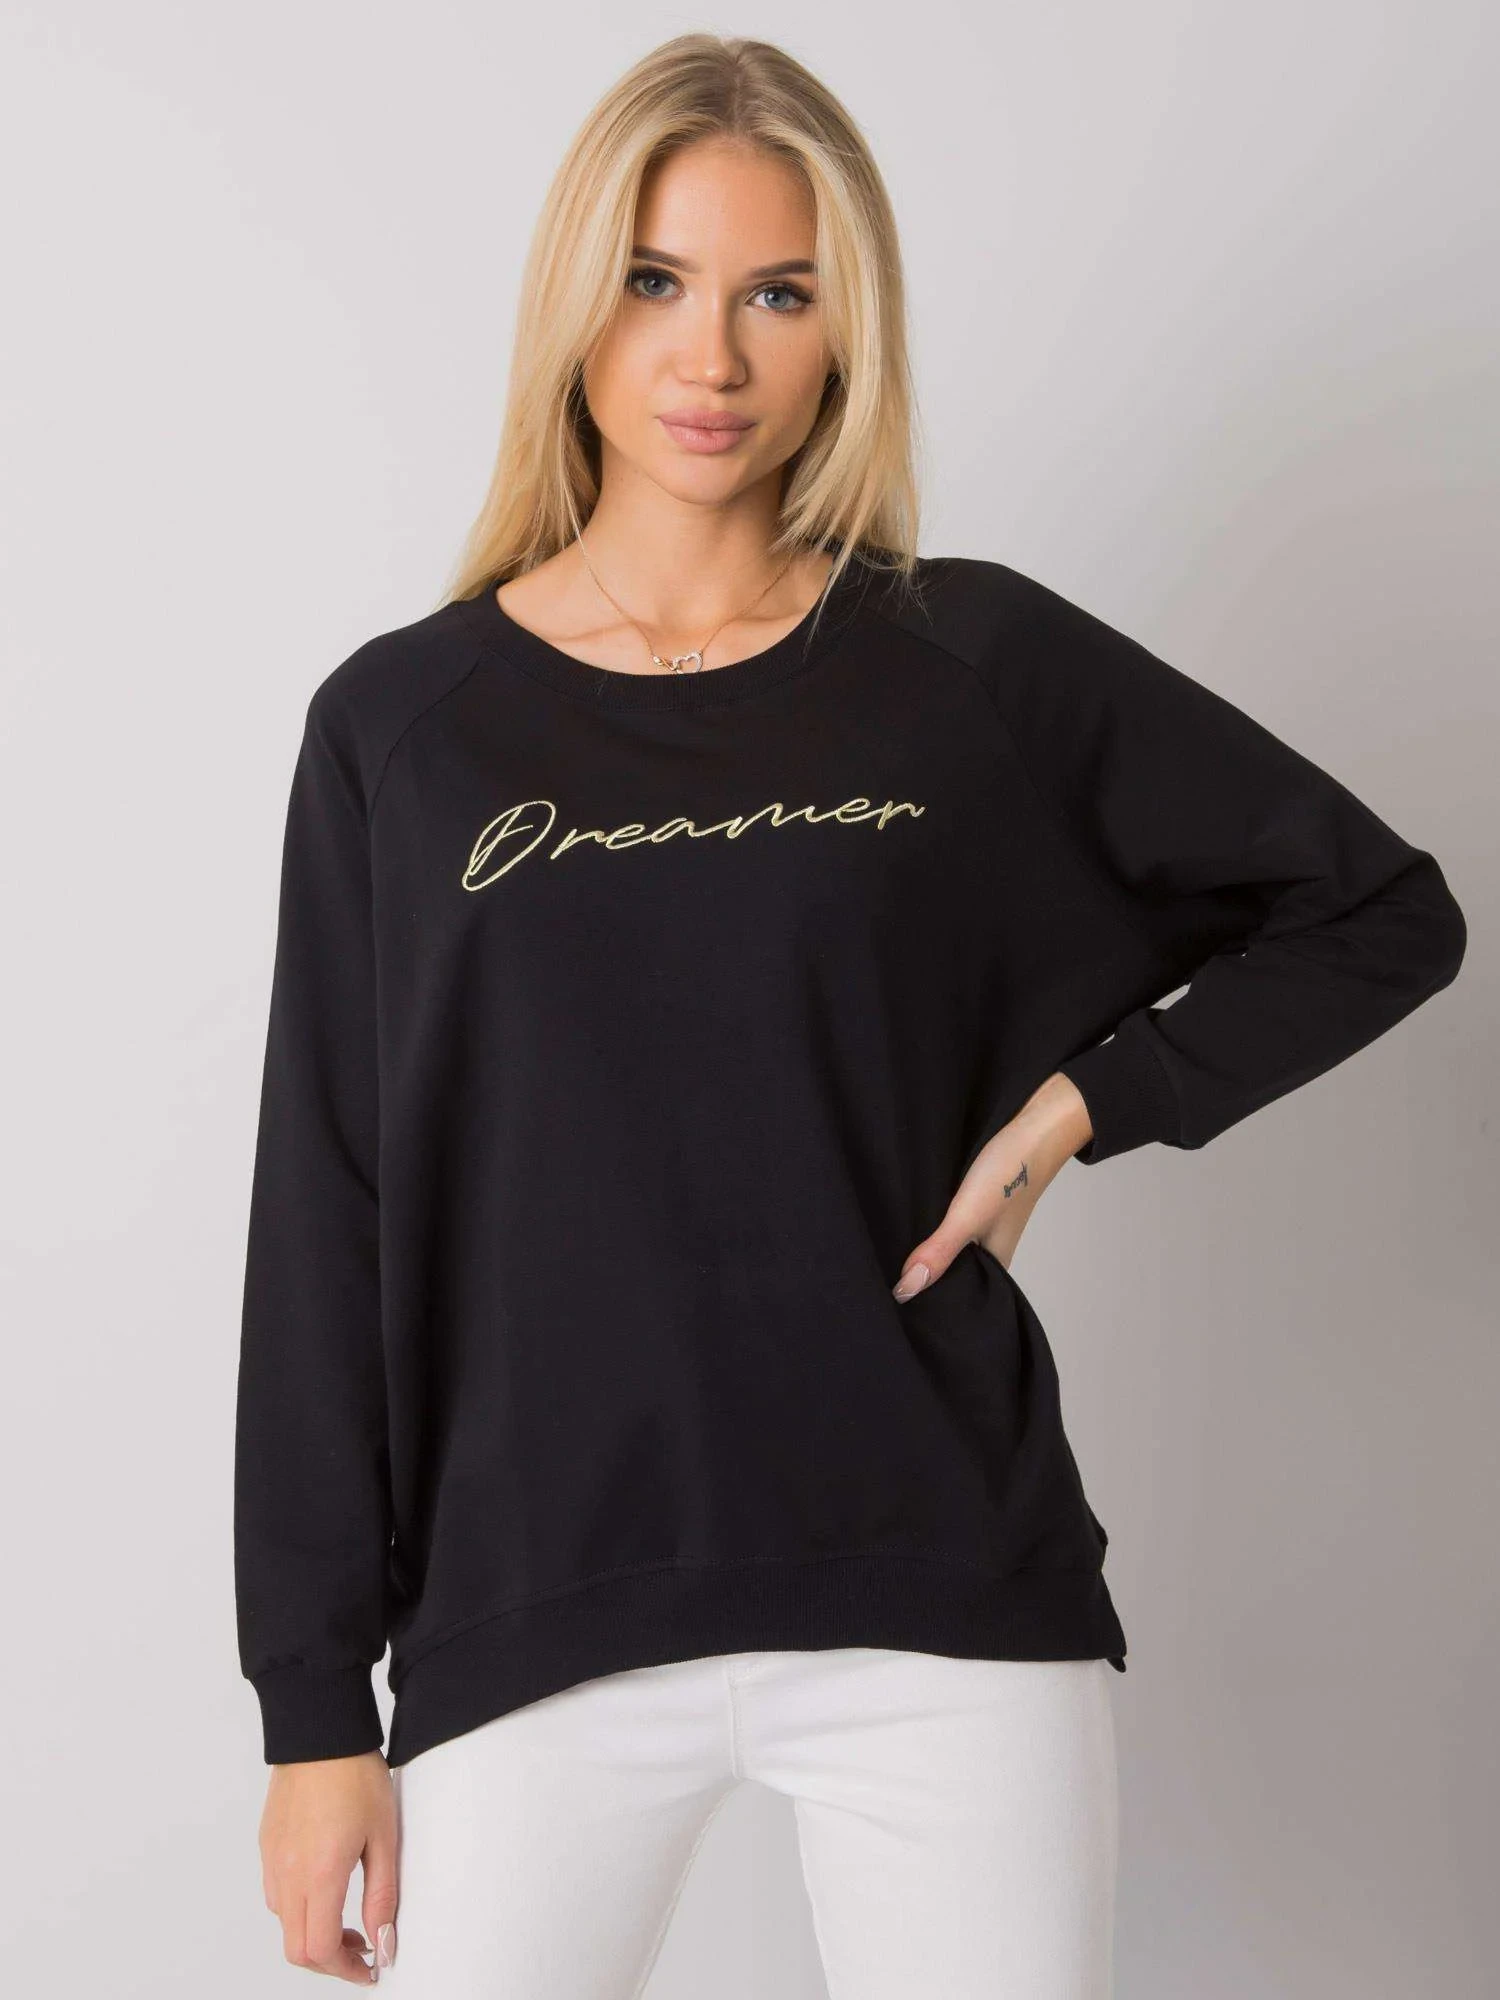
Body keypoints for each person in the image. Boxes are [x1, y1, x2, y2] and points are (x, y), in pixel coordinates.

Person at [232, 32, 1468, 2000]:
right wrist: (312, 1712)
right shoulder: (404, 730)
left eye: (779, 293)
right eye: (657, 279)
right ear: (577, 303)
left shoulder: (959, 665)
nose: (710, 355)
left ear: (844, 331)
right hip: (537, 1605)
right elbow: (328, 1213)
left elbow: (1379, 909)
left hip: (939, 1590)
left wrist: (1084, 1104)